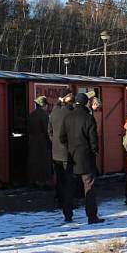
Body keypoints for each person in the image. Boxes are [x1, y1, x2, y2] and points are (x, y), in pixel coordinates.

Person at [60, 93, 105, 224]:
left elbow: (61, 137)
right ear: (86, 103)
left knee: (69, 188)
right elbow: (93, 139)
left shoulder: (67, 117)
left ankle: (67, 215)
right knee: (89, 187)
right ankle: (92, 216)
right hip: (86, 158)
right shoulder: (88, 118)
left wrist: (70, 147)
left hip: (71, 157)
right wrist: (94, 151)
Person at [49, 93, 74, 221]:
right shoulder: (70, 114)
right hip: (67, 153)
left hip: (56, 152)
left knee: (59, 179)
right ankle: (67, 206)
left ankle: (59, 200)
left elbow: (50, 132)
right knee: (68, 181)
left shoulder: (54, 113)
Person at [27, 96, 52, 188]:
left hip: (33, 141)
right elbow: (47, 131)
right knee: (44, 163)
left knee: (34, 162)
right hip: (43, 142)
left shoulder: (31, 115)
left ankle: (34, 181)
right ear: (44, 105)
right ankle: (44, 182)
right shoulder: (44, 115)